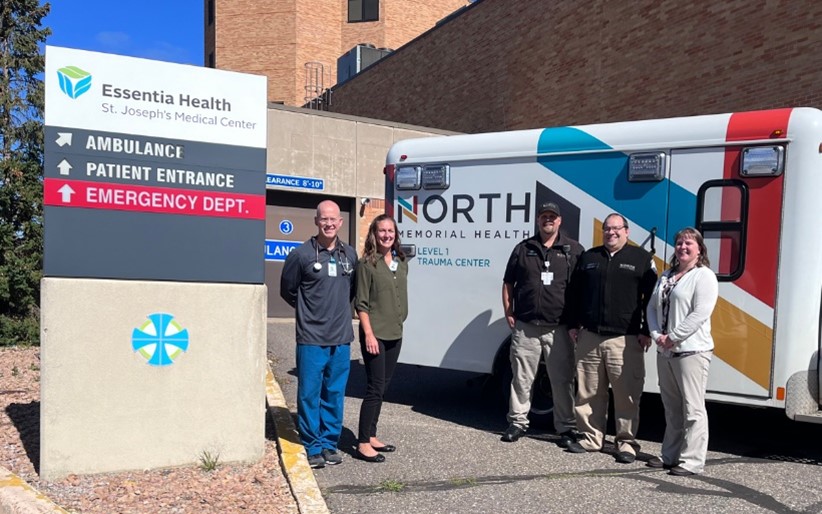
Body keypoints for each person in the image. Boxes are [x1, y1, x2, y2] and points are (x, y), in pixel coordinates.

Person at [565, 213, 657, 464]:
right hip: (590, 337)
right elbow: (574, 294)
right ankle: (591, 438)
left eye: (617, 229)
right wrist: (573, 324)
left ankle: (626, 443)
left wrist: (646, 331)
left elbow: (652, 300)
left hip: (625, 340)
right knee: (588, 392)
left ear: (627, 231)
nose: (611, 233)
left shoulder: (641, 258)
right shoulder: (589, 258)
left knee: (626, 395)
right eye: (607, 228)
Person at [280, 200, 358, 469]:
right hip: (311, 338)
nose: (329, 223)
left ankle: (329, 443)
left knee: (334, 393)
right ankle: (313, 445)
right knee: (309, 394)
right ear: (316, 221)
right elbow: (288, 291)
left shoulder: (349, 255)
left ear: (340, 222)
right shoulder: (301, 255)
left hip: (341, 338)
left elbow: (352, 290)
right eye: (324, 219)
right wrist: (309, 311)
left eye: (333, 219)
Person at [500, 202, 584, 446]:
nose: (548, 220)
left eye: (553, 217)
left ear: (559, 221)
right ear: (538, 220)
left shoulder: (574, 250)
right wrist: (509, 312)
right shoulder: (524, 248)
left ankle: (566, 428)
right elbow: (508, 283)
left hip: (559, 328)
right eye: (544, 216)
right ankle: (517, 423)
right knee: (521, 378)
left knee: (562, 380)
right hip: (526, 326)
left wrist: (576, 322)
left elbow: (580, 290)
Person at [646, 227, 718, 476]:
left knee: (693, 408)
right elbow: (652, 309)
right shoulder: (666, 276)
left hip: (691, 351)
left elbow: (700, 313)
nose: (683, 247)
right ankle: (669, 454)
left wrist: (673, 337)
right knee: (671, 406)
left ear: (699, 249)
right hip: (666, 352)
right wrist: (657, 335)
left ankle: (692, 461)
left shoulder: (704, 276)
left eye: (689, 243)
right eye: (679, 243)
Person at [353, 214, 409, 463]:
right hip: (375, 335)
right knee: (374, 389)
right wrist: (368, 334)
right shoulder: (367, 264)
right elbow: (361, 304)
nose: (387, 235)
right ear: (374, 235)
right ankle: (363, 442)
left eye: (391, 231)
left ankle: (372, 435)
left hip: (395, 333)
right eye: (382, 231)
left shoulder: (400, 261)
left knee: (383, 386)